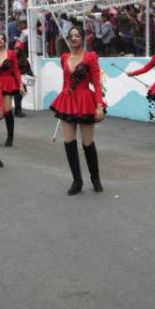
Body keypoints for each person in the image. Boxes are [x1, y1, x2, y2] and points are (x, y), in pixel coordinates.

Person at [50, 26, 106, 194]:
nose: (73, 38)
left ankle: (95, 179)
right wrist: (62, 99)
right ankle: (77, 181)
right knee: (69, 142)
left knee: (87, 143)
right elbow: (66, 81)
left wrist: (99, 106)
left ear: (83, 39)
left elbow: (96, 83)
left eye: (77, 35)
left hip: (85, 100)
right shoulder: (64, 57)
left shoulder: (90, 57)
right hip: (68, 100)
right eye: (71, 36)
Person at [0, 34, 23, 146]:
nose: (0, 40)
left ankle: (10, 137)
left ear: (5, 41)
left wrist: (21, 84)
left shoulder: (11, 54)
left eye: (2, 39)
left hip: (7, 83)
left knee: (7, 110)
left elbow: (16, 70)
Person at [14, 40, 32, 117]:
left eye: (17, 49)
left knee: (19, 95)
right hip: (15, 79)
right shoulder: (13, 58)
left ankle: (17, 110)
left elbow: (28, 68)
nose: (15, 50)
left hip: (22, 79)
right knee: (18, 96)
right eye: (15, 48)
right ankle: (17, 111)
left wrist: (31, 74)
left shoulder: (23, 59)